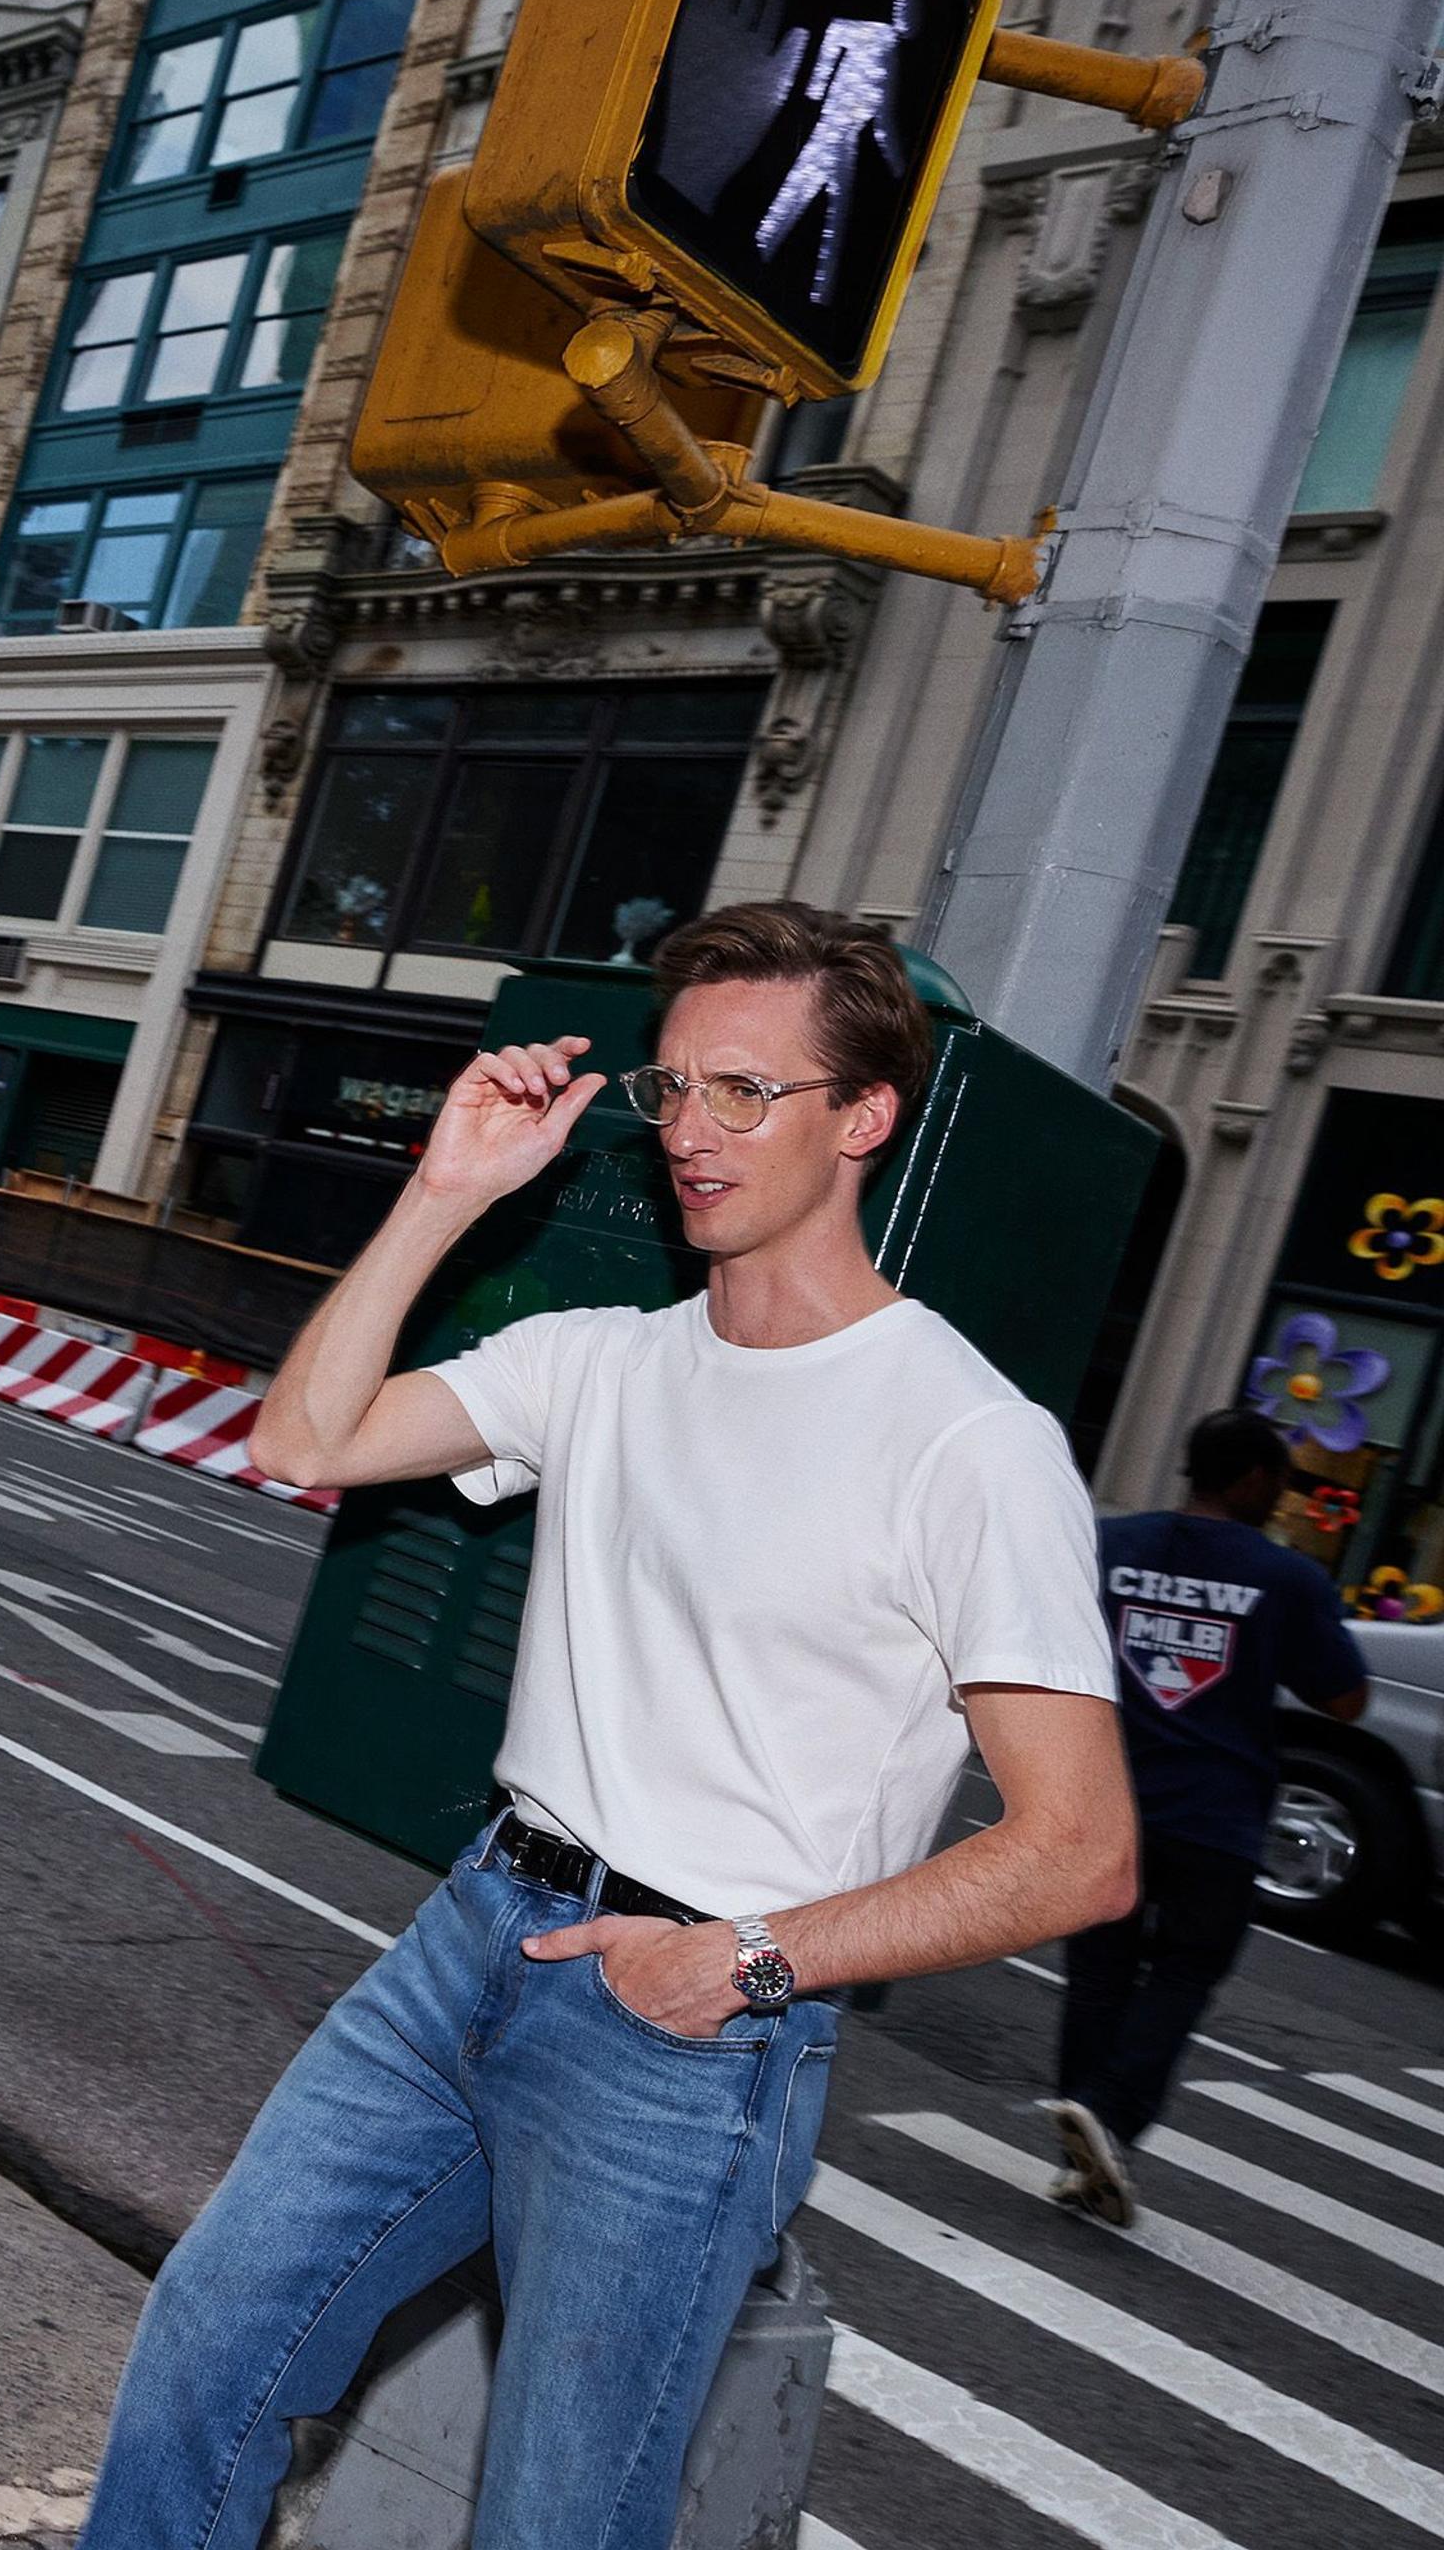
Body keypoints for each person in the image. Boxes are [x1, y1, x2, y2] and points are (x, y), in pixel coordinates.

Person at [81, 901, 1136, 2550]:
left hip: (687, 2035)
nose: (692, 1135)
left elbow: (1078, 1851)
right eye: (673, 1092)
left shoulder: (968, 1444)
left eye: (745, 1093)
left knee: (561, 2518)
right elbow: (310, 1435)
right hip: (475, 1939)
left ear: (861, 1119)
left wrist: (745, 1959)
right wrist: (447, 1193)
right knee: (212, 2340)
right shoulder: (605, 1361)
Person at [1043, 1407, 1368, 2224]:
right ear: (1254, 1480)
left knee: (1100, 1970)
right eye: (1281, 1486)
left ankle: (1084, 2121)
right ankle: (1110, 2115)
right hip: (1214, 1815)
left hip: (1107, 1796)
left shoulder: (1115, 1547)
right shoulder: (1285, 1579)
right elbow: (1346, 1696)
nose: (1283, 1503)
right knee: (1186, 1969)